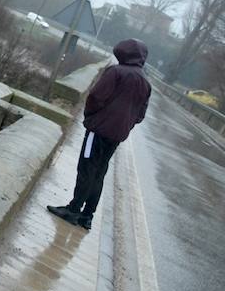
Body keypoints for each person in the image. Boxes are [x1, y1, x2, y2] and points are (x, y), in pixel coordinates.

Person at [47, 38, 151, 230]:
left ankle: (73, 209)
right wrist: (125, 125)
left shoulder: (116, 72)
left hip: (99, 129)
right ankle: (87, 216)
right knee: (99, 172)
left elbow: (95, 97)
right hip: (117, 135)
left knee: (87, 169)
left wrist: (91, 117)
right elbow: (140, 115)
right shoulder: (145, 82)